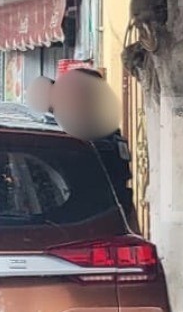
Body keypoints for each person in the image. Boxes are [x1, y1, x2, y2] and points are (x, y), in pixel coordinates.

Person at [50, 67, 137, 229]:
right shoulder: (59, 133)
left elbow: (122, 188)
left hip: (106, 219)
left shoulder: (109, 133)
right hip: (71, 222)